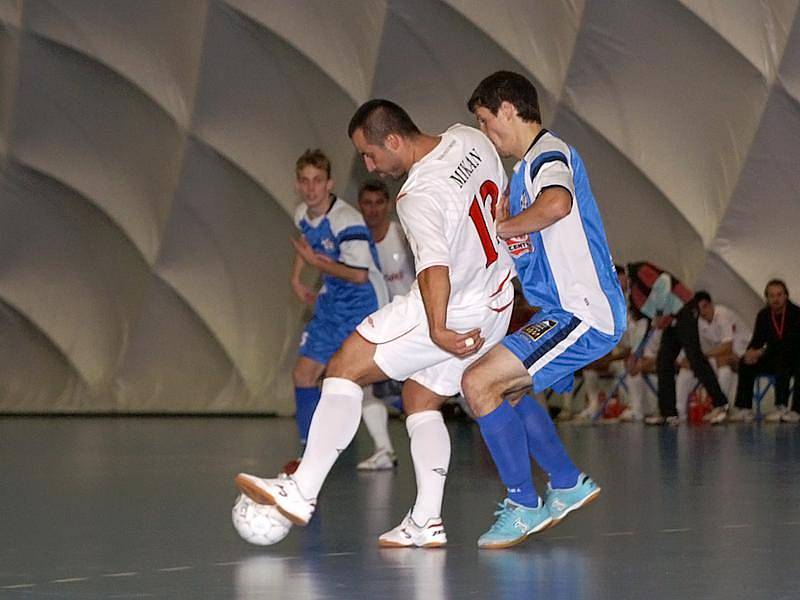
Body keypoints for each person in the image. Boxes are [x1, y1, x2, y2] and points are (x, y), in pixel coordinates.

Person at [236, 100, 515, 548]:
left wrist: (439, 328)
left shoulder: (416, 194)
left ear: (393, 140)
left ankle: (302, 488)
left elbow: (434, 269)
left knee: (344, 368)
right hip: (496, 301)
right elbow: (502, 197)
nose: (368, 165)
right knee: (420, 398)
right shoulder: (471, 138)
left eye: (369, 154)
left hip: (449, 308)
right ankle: (426, 520)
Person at [462, 70, 627, 549]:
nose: (487, 132)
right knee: (505, 395)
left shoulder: (547, 154)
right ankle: (567, 482)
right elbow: (529, 250)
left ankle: (523, 504)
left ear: (509, 110)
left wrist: (507, 224)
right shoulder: (521, 175)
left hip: (585, 312)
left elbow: (557, 205)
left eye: (486, 120)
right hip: (560, 312)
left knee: (478, 383)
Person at [287, 150, 389, 469]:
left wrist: (319, 264)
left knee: (352, 380)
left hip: (363, 304)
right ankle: (309, 455)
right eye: (304, 181)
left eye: (317, 181)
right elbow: (307, 245)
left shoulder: (347, 221)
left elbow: (359, 274)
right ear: (297, 185)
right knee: (303, 375)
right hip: (332, 302)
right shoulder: (302, 213)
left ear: (329, 183)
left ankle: (382, 447)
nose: (311, 188)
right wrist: (297, 277)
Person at [355, 179, 415, 470]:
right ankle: (384, 450)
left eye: (379, 203)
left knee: (431, 394)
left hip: (414, 325)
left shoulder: (402, 235)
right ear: (360, 206)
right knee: (362, 384)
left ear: (388, 205)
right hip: (379, 329)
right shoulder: (355, 243)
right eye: (367, 203)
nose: (374, 210)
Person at [626, 262, 729, 426]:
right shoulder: (633, 297)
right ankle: (668, 414)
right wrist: (635, 354)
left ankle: (721, 404)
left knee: (694, 356)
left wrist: (659, 313)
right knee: (663, 362)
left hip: (685, 309)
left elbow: (664, 282)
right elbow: (642, 325)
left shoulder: (639, 271)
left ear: (620, 274)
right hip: (671, 320)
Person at [725, 279, 800, 423]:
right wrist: (749, 353)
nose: (776, 299)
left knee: (783, 360)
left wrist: (761, 352)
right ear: (767, 297)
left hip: (793, 358)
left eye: (779, 295)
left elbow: (789, 344)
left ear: (786, 296)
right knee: (746, 363)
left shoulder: (796, 313)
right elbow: (757, 340)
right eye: (771, 296)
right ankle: (745, 408)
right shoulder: (764, 315)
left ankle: (785, 408)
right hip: (772, 356)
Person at [673, 291, 750, 421]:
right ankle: (679, 413)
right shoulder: (696, 321)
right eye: (699, 309)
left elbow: (727, 347)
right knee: (686, 369)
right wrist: (689, 359)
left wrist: (700, 356)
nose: (703, 312)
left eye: (705, 307)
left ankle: (720, 408)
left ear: (711, 304)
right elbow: (691, 348)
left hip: (742, 351)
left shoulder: (722, 314)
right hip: (715, 356)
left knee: (722, 365)